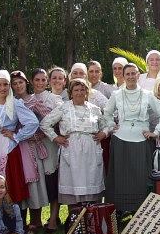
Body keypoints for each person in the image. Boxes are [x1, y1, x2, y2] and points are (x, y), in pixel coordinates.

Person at [103, 62, 160, 215]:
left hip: (142, 140)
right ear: (123, 76)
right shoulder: (116, 95)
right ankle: (119, 210)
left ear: (138, 75)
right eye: (127, 74)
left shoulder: (147, 95)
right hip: (120, 139)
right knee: (120, 178)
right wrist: (110, 125)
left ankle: (142, 211)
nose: (130, 76)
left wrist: (156, 132)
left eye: (133, 73)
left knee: (141, 177)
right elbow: (106, 113)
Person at [39, 77, 111, 206]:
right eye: (76, 90)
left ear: (87, 92)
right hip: (71, 149)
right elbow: (45, 124)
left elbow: (108, 124)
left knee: (91, 179)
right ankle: (74, 217)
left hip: (91, 148)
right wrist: (56, 137)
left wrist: (103, 133)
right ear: (71, 93)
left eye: (82, 89)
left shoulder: (94, 109)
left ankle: (92, 215)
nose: (79, 92)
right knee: (73, 181)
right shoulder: (63, 108)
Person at [0, 70, 40, 213]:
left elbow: (32, 122)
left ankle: (14, 222)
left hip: (7, 149)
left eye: (5, 84)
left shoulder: (14, 103)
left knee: (10, 185)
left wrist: (16, 136)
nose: (2, 88)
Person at [22, 68, 62, 232]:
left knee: (52, 180)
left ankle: (53, 219)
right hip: (33, 145)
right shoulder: (27, 99)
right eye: (37, 80)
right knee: (35, 182)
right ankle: (36, 219)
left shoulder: (54, 99)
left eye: (43, 80)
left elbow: (59, 117)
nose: (40, 83)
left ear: (47, 82)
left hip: (49, 143)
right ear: (32, 81)